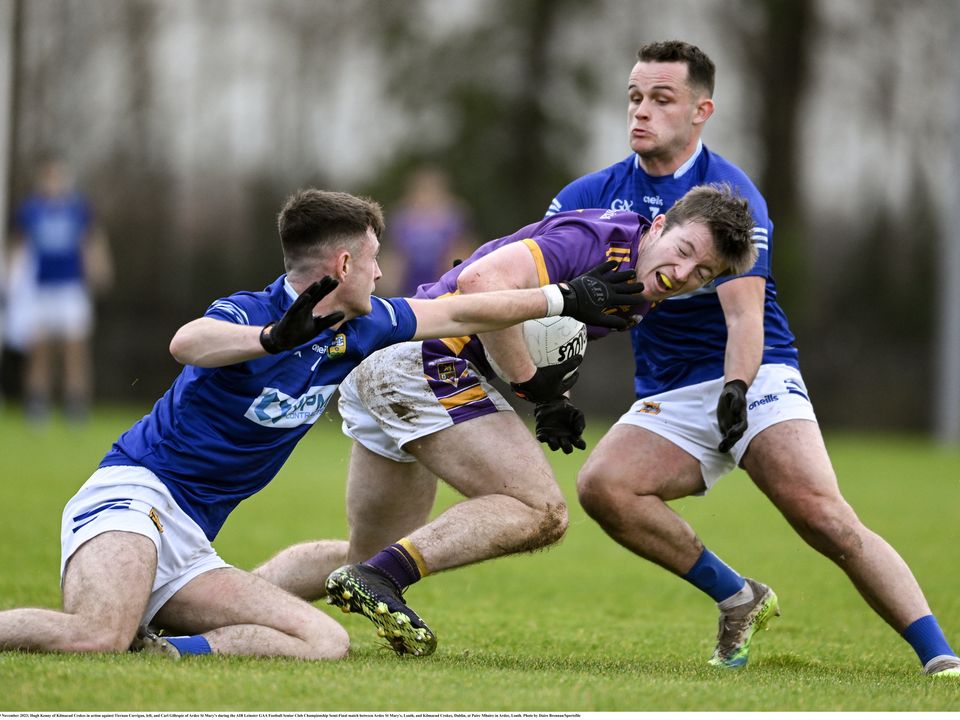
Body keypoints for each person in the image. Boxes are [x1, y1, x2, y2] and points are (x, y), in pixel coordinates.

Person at [0, 189, 645, 661]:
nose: (382, 272)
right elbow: (188, 343)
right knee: (95, 636)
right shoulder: (250, 310)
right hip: (133, 499)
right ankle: (122, 637)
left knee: (324, 639)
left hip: (193, 543)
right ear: (342, 265)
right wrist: (270, 338)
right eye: (373, 259)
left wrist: (562, 298)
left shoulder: (365, 325)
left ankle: (171, 655)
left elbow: (458, 311)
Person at [548, 40, 959, 676]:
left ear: (700, 111)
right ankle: (740, 596)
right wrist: (545, 384)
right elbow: (542, 294)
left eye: (662, 99)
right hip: (670, 388)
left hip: (755, 372)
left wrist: (737, 390)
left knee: (822, 517)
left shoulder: (732, 199)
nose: (641, 112)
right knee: (605, 487)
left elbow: (744, 316)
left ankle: (941, 658)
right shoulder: (591, 194)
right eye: (635, 97)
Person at [252, 183, 758, 657]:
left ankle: (207, 606)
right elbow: (481, 280)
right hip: (420, 357)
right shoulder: (603, 240)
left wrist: (553, 397)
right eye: (686, 251)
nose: (685, 273)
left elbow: (545, 329)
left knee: (366, 555)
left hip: (388, 362)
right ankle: (384, 579)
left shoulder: (640, 288)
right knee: (540, 510)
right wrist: (532, 387)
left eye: (703, 274)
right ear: (660, 225)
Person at [11, 158, 113, 423]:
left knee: (74, 347)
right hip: (40, 289)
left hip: (71, 287)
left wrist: (99, 268)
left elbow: (91, 241)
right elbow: (18, 245)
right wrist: (11, 279)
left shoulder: (77, 209)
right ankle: (37, 404)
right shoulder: (31, 210)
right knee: (40, 349)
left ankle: (76, 404)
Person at [381, 166, 476, 296]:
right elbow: (394, 255)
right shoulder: (401, 218)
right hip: (409, 287)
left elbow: (461, 249)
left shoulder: (453, 216)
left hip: (443, 286)